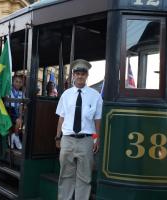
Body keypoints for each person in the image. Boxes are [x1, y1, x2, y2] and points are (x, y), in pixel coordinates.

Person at [55, 59, 102, 200]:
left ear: (87, 75)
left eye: (83, 73)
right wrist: (58, 136)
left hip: (86, 140)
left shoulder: (95, 96)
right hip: (68, 139)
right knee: (65, 175)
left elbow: (97, 120)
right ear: (73, 75)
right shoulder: (66, 95)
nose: (80, 76)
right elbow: (61, 118)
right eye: (77, 73)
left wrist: (96, 139)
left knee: (85, 177)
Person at [7, 74, 24, 150]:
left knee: (20, 121)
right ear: (12, 82)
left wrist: (20, 116)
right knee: (18, 121)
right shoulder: (8, 91)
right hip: (9, 112)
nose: (18, 83)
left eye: (20, 82)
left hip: (16, 112)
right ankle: (15, 137)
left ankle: (14, 136)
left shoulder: (21, 93)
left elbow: (21, 106)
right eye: (16, 81)